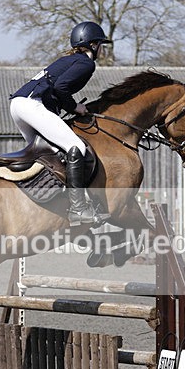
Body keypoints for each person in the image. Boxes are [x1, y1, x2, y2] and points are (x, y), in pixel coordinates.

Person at [10, 21, 112, 226]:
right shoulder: (86, 62)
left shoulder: (69, 59)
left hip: (18, 105)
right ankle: (78, 209)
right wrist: (75, 108)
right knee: (76, 147)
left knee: (47, 155)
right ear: (93, 45)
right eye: (100, 44)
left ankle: (44, 201)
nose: (101, 48)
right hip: (32, 105)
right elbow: (61, 87)